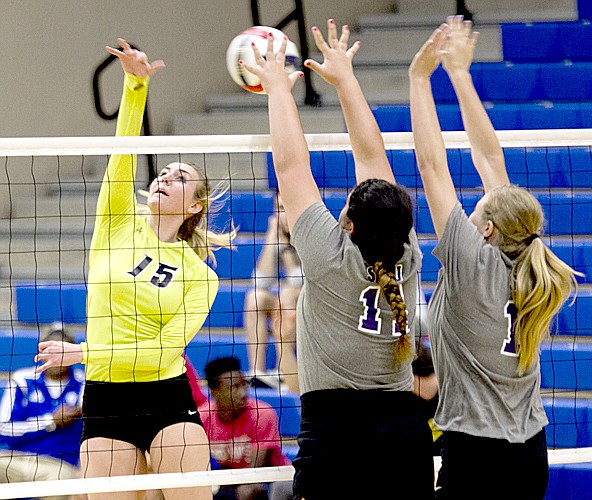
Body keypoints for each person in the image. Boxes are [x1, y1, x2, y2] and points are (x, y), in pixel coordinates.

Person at [242, 20, 434, 499]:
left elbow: (289, 164)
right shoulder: (407, 253)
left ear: (347, 224)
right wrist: (345, 78)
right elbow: (372, 156)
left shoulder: (329, 256)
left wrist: (277, 90)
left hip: (335, 434)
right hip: (403, 436)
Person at [35, 39, 235, 500]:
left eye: (180, 177)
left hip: (165, 399)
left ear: (196, 206)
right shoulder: (116, 225)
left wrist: (82, 353)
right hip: (106, 400)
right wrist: (135, 86)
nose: (164, 177)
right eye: (163, 172)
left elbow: (165, 352)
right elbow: (122, 156)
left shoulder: (201, 275)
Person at [409, 17, 581, 499]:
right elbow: (490, 160)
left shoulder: (472, 263)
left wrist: (420, 79)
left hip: (478, 455)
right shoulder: (531, 264)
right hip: (530, 451)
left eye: (478, 209)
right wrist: (460, 75)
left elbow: (431, 166)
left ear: (484, 229)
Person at [0, 323, 85, 500]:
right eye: (50, 349)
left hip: (58, 465)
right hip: (16, 460)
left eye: (62, 350)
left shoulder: (84, 384)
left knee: (62, 482)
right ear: (40, 351)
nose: (56, 356)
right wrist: (50, 421)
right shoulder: (22, 379)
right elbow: (3, 429)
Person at [200, 357, 292, 500]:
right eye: (234, 387)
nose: (243, 393)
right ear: (214, 391)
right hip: (226, 483)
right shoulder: (202, 418)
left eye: (244, 385)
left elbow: (254, 473)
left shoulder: (262, 413)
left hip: (266, 480)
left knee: (248, 490)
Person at [244, 193, 302, 393]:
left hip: (315, 308)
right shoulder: (278, 235)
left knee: (288, 293)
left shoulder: (311, 232)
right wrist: (272, 238)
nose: (283, 215)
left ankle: (284, 371)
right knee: (255, 298)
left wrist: (286, 251)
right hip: (291, 302)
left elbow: (299, 281)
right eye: (279, 208)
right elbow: (261, 281)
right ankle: (256, 373)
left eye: (287, 207)